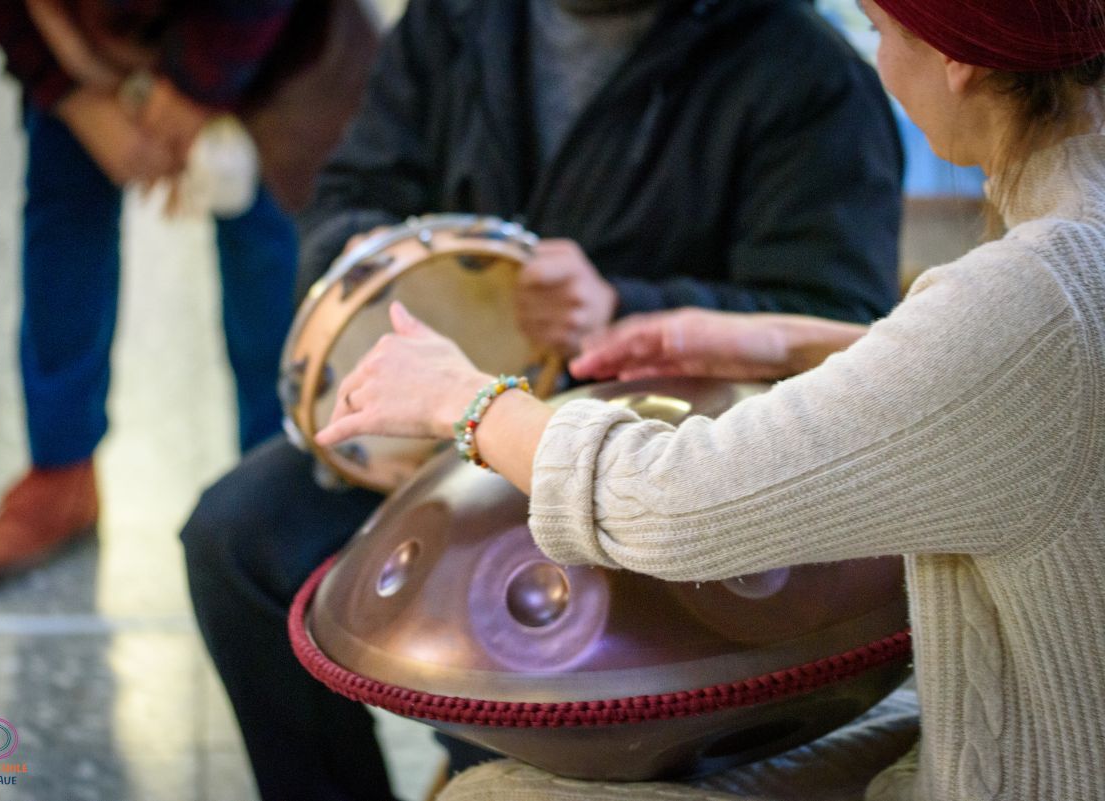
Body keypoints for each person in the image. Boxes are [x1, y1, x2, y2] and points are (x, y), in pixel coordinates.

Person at [320, 0, 1105, 797]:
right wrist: (783, 342)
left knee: (495, 795)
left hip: (1020, 775)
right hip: (977, 733)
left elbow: (667, 503)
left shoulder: (1032, 293)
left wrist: (471, 401)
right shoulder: (1074, 246)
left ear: (958, 57)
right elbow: (1007, 386)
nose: (878, 62)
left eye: (882, 32)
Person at [178, 0, 906, 798]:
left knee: (503, 638)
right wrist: (363, 259)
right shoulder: (456, 18)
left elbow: (831, 325)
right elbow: (353, 188)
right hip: (442, 428)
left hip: (637, 466)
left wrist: (620, 305)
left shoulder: (806, 73)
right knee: (236, 540)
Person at [0, 0, 346, 582]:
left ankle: (279, 479)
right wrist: (70, 94)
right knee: (62, 209)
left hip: (260, 38)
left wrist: (198, 90)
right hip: (78, 32)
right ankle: (60, 468)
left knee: (268, 238)